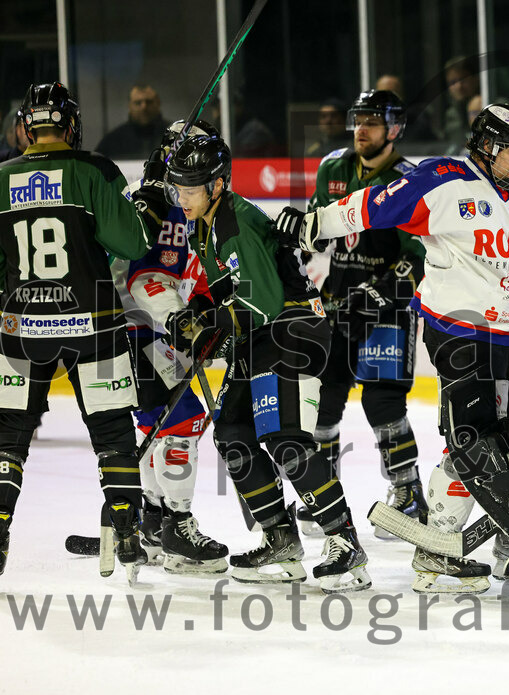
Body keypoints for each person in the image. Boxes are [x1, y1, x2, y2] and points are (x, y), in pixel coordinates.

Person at [275, 102, 509, 594]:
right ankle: (437, 551)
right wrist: (316, 225)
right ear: (486, 147)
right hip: (460, 332)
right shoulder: (443, 180)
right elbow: (373, 205)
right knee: (471, 439)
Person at [147, 132, 369, 592]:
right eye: (177, 188)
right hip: (258, 337)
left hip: (291, 330)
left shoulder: (236, 224)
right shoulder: (203, 223)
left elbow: (262, 302)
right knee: (232, 433)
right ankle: (279, 539)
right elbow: (226, 288)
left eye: (190, 189)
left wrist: (207, 323)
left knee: (286, 440)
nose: (181, 198)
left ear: (217, 185)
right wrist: (195, 313)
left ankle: (344, 542)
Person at [0, 83, 155, 579]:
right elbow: (132, 243)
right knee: (112, 431)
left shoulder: (1, 178)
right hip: (94, 325)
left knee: (8, 437)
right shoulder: (94, 171)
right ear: (70, 124)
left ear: (28, 128)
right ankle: (127, 531)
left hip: (20, 328)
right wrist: (144, 205)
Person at [300, 90, 427, 539]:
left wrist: (377, 296)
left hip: (388, 307)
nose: (362, 129)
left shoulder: (409, 181)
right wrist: (297, 243)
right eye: (359, 120)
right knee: (323, 399)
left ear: (394, 129)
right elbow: (315, 232)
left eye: (372, 122)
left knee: (381, 401)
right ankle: (323, 491)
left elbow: (419, 257)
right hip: (339, 303)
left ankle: (409, 493)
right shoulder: (332, 168)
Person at [111, 119, 230, 574]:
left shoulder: (159, 198)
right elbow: (146, 280)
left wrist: (204, 310)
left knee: (157, 427)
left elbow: (182, 276)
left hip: (137, 332)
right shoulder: (159, 201)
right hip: (136, 332)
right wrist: (184, 322)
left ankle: (154, 521)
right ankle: (177, 529)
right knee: (183, 422)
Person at [95, 84, 169, 159]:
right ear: (129, 106)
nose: (144, 107)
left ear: (158, 103)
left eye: (149, 102)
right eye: (138, 103)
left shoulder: (172, 136)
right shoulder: (112, 141)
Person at [441, 56, 480, 154]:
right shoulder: (451, 114)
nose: (459, 86)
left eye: (464, 79)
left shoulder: (495, 106)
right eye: (453, 82)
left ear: (476, 79)